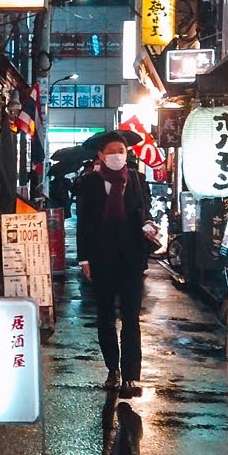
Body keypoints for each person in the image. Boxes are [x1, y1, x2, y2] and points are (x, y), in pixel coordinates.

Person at [75, 132, 158, 398]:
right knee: (105, 316)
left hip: (132, 257)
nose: (116, 155)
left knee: (131, 317)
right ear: (100, 156)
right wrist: (84, 258)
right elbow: (83, 224)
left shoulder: (136, 180)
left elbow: (144, 210)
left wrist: (148, 224)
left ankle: (132, 376)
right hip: (101, 257)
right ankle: (113, 369)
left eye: (120, 150)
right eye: (111, 151)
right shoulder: (88, 184)